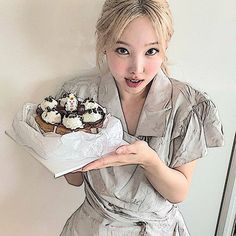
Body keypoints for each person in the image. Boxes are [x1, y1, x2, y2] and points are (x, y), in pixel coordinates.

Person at [59, 0, 224, 235]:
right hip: (93, 227)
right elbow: (74, 181)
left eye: (151, 51)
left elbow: (179, 193)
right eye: (123, 50)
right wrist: (68, 150)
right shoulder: (79, 98)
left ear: (165, 46)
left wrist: (149, 161)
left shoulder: (186, 105)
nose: (137, 68)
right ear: (105, 45)